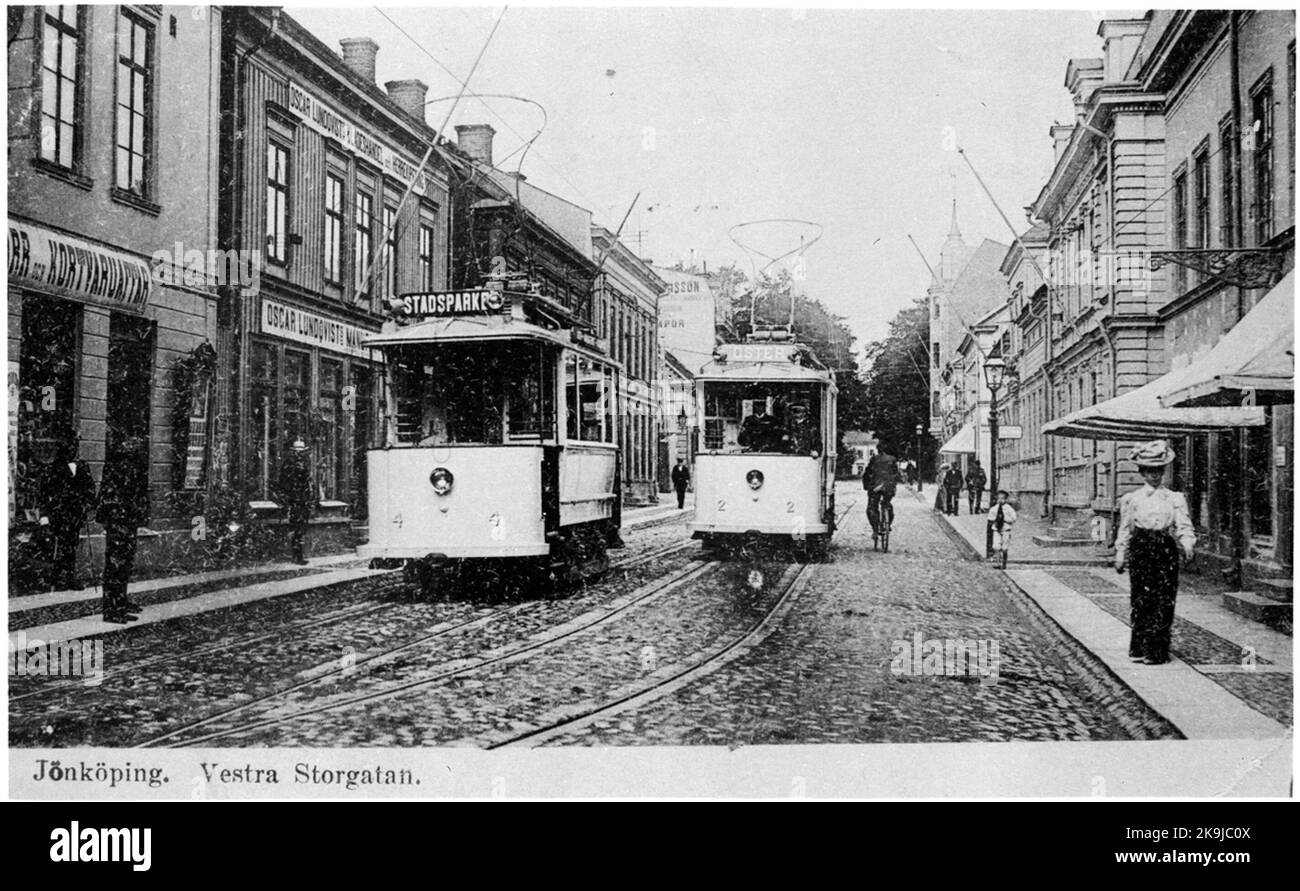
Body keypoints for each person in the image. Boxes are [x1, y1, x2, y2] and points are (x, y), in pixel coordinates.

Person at [1114, 440, 1196, 666]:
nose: (1154, 476)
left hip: (1164, 547)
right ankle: (1139, 648)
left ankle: (1157, 651)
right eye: (1150, 472)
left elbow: (1184, 524)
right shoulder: (1132, 499)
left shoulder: (1174, 498)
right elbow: (1125, 528)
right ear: (1142, 473)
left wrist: (1187, 543)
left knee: (1164, 599)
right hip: (1141, 547)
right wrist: (1120, 553)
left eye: (1158, 471)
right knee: (1141, 598)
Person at [97, 437, 149, 624]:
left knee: (125, 564)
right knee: (116, 566)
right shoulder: (115, 467)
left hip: (127, 521)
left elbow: (139, 493)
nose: (135, 448)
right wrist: (111, 518)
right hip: (119, 521)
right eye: (132, 445)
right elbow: (107, 496)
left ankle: (121, 602)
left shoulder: (132, 466)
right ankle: (112, 609)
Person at [39, 437, 98, 590]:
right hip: (58, 514)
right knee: (59, 546)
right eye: (67, 449)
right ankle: (56, 577)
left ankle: (68, 577)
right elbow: (44, 494)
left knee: (71, 545)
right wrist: (44, 516)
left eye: (73, 449)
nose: (71, 452)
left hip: (75, 514)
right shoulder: (52, 468)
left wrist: (87, 504)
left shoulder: (83, 466)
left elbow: (90, 488)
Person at [278, 438, 314, 565]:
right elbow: (284, 482)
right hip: (295, 501)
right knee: (297, 528)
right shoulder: (290, 464)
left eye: (301, 451)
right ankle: (297, 556)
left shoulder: (303, 463)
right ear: (293, 452)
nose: (299, 454)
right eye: (297, 451)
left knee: (301, 528)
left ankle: (298, 555)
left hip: (302, 500)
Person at [862, 445, 901, 538]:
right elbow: (896, 475)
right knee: (887, 504)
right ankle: (887, 524)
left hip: (875, 487)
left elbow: (867, 474)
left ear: (878, 450)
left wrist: (866, 486)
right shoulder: (892, 459)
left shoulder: (874, 459)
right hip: (888, 487)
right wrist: (893, 485)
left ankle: (875, 530)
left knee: (872, 508)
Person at [989, 489, 1017, 569]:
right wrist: (996, 519)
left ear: (1006, 499)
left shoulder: (1009, 509)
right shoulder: (994, 509)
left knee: (1004, 548)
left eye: (1002, 498)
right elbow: (990, 518)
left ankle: (1004, 563)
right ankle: (997, 563)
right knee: (996, 546)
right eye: (999, 498)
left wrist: (1005, 518)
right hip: (997, 529)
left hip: (1006, 529)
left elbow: (1014, 519)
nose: (1000, 500)